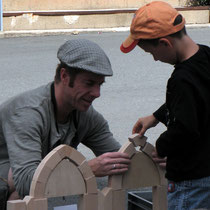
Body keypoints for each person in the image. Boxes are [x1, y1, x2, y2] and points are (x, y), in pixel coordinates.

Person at [0, 39, 131, 208]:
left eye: (100, 85)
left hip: (27, 175)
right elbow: (25, 182)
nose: (97, 93)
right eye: (89, 83)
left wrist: (160, 158)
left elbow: (118, 157)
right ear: (64, 76)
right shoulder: (28, 113)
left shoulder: (84, 113)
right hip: (10, 177)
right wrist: (86, 170)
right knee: (22, 194)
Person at [120, 1, 210, 209]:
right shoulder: (205, 56)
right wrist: (157, 116)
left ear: (165, 43)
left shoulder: (181, 79)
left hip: (190, 182)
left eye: (152, 53)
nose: (154, 59)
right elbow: (196, 99)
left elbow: (185, 128)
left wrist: (161, 146)